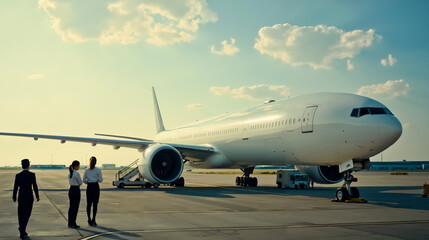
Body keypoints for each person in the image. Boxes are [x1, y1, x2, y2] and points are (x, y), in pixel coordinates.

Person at [13, 159, 39, 240]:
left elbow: (15, 187)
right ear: (28, 166)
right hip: (29, 197)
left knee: (20, 214)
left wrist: (14, 196)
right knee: (27, 214)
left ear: (22, 166)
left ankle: (22, 232)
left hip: (21, 197)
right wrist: (37, 196)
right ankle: (22, 228)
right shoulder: (32, 175)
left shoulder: (18, 175)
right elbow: (35, 186)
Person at [83, 156, 103, 226]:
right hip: (95, 186)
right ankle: (94, 219)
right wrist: (96, 180)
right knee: (95, 204)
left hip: (89, 187)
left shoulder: (86, 170)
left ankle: (89, 219)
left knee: (88, 204)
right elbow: (101, 180)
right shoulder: (98, 170)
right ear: (96, 162)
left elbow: (83, 180)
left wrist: (88, 183)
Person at [68, 160, 82, 229]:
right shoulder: (76, 173)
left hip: (71, 190)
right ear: (76, 166)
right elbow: (80, 183)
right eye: (78, 165)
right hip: (76, 190)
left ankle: (70, 222)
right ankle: (73, 222)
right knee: (75, 207)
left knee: (71, 207)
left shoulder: (69, 173)